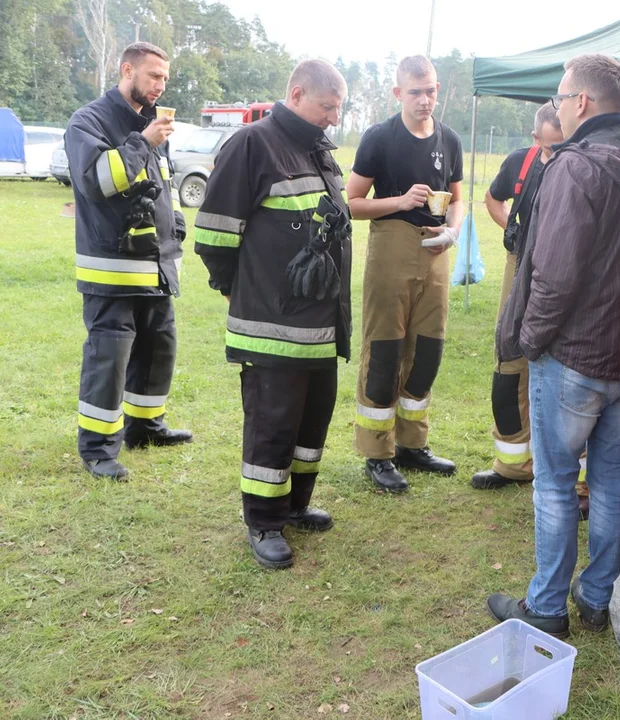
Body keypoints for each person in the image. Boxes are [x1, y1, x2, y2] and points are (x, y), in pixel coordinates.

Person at [486, 54, 620, 637]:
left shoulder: (575, 166)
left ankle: (546, 607)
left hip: (576, 357)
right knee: (613, 480)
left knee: (557, 483)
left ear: (582, 103)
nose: (559, 108)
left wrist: (531, 341)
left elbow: (555, 276)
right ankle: (594, 599)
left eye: (562, 99)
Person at [192, 60, 351, 570]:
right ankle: (263, 521)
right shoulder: (252, 144)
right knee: (273, 424)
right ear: (298, 93)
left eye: (338, 109)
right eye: (327, 106)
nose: (333, 118)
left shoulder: (318, 150)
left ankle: (295, 506)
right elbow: (215, 236)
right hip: (272, 326)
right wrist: (240, 290)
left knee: (312, 420)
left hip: (321, 326)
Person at [65, 42, 192, 481]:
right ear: (127, 70)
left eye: (165, 79)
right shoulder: (89, 121)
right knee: (110, 357)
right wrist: (144, 141)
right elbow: (100, 181)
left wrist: (174, 228)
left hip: (155, 265)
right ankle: (98, 450)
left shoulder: (152, 124)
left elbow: (162, 185)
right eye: (154, 76)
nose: (160, 85)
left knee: (160, 347)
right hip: (111, 270)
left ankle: (145, 427)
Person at [346, 55, 463, 493]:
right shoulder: (380, 137)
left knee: (428, 350)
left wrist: (452, 230)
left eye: (431, 90)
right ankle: (377, 453)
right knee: (385, 351)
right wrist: (398, 200)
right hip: (391, 247)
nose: (425, 99)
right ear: (398, 93)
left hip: (435, 253)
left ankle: (413, 444)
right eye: (415, 91)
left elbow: (457, 197)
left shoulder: (449, 140)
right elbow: (352, 202)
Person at [471, 104, 563, 491]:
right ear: (535, 138)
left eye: (563, 145)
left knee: (563, 362)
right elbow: (493, 198)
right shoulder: (520, 163)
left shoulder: (579, 165)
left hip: (563, 269)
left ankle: (566, 477)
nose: (555, 152)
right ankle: (511, 461)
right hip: (519, 262)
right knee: (510, 354)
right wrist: (512, 229)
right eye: (549, 145)